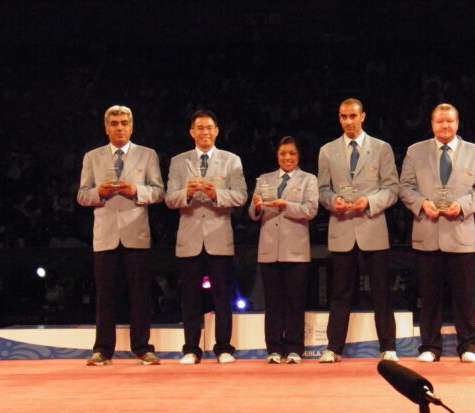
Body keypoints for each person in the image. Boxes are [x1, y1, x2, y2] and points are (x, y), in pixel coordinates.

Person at [399, 103, 475, 363]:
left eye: (450, 121)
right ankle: (430, 347)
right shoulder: (415, 152)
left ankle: (468, 346)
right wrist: (422, 204)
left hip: (460, 234)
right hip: (427, 233)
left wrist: (463, 205)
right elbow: (405, 187)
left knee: (465, 295)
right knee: (429, 296)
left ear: (457, 123)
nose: (445, 125)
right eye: (440, 121)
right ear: (432, 124)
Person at [77, 105, 165, 366]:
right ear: (106, 128)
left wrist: (135, 191)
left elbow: (159, 191)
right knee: (104, 296)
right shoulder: (92, 157)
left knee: (140, 295)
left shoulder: (147, 155)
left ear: (132, 127)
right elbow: (82, 195)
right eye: (114, 123)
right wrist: (99, 193)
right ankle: (103, 350)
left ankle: (143, 348)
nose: (120, 128)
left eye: (124, 123)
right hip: (105, 236)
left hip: (136, 234)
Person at [317, 98, 399, 363]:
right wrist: (333, 201)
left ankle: (388, 347)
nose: (348, 121)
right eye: (343, 116)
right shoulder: (327, 151)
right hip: (342, 227)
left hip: (372, 226)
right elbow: (322, 190)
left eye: (353, 116)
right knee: (340, 292)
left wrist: (370, 202)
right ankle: (333, 348)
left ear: (363, 116)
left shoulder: (381, 148)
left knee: (381, 292)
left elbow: (392, 189)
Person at [165, 110, 247, 364]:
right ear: (192, 132)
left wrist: (216, 194)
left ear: (217, 131)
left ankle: (224, 348)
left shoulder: (231, 160)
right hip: (189, 238)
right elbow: (169, 199)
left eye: (209, 128)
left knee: (222, 297)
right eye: (200, 128)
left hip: (218, 238)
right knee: (190, 298)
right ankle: (191, 349)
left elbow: (241, 196)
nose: (205, 132)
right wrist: (187, 193)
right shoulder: (178, 161)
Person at [249, 136, 318, 364]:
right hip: (269, 249)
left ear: (298, 156)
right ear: (277, 156)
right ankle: (274, 349)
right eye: (283, 154)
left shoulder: (308, 179)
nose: (287, 158)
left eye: (292, 154)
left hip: (296, 250)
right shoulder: (264, 179)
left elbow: (310, 210)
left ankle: (295, 348)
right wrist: (257, 207)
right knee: (272, 302)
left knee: (295, 302)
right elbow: (253, 213)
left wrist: (286, 205)